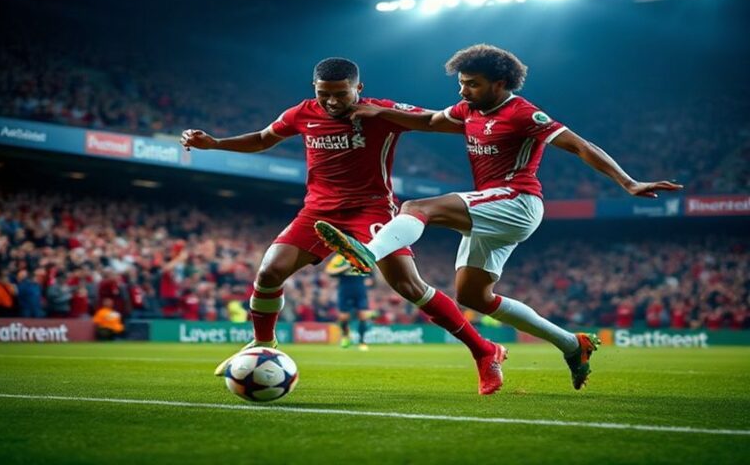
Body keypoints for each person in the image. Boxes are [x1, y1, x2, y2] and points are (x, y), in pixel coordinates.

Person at [315, 44, 683, 390]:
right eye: (461, 84)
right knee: (473, 295)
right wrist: (381, 112)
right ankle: (573, 344)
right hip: (492, 206)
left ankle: (367, 253)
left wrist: (628, 181)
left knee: (415, 208)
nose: (463, 92)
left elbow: (581, 146)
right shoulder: (468, 110)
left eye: (472, 84)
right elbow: (429, 121)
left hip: (518, 201)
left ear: (500, 83)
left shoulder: (523, 113)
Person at [181, 57, 507, 394]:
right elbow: (263, 139)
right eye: (325, 94)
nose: (333, 101)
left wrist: (384, 114)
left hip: (372, 210)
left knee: (409, 286)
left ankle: (484, 350)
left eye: (341, 94)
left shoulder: (379, 111)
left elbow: (438, 122)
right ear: (314, 89)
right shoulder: (301, 113)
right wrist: (216, 144)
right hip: (318, 212)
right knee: (268, 272)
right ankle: (263, 345)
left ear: (358, 88)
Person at [325, 254, 372, 351]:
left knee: (363, 315)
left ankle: (362, 341)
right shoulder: (340, 258)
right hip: (345, 290)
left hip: (360, 290)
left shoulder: (362, 256)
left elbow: (371, 274)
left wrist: (370, 279)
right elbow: (329, 271)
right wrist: (346, 267)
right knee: (343, 317)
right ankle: (345, 336)